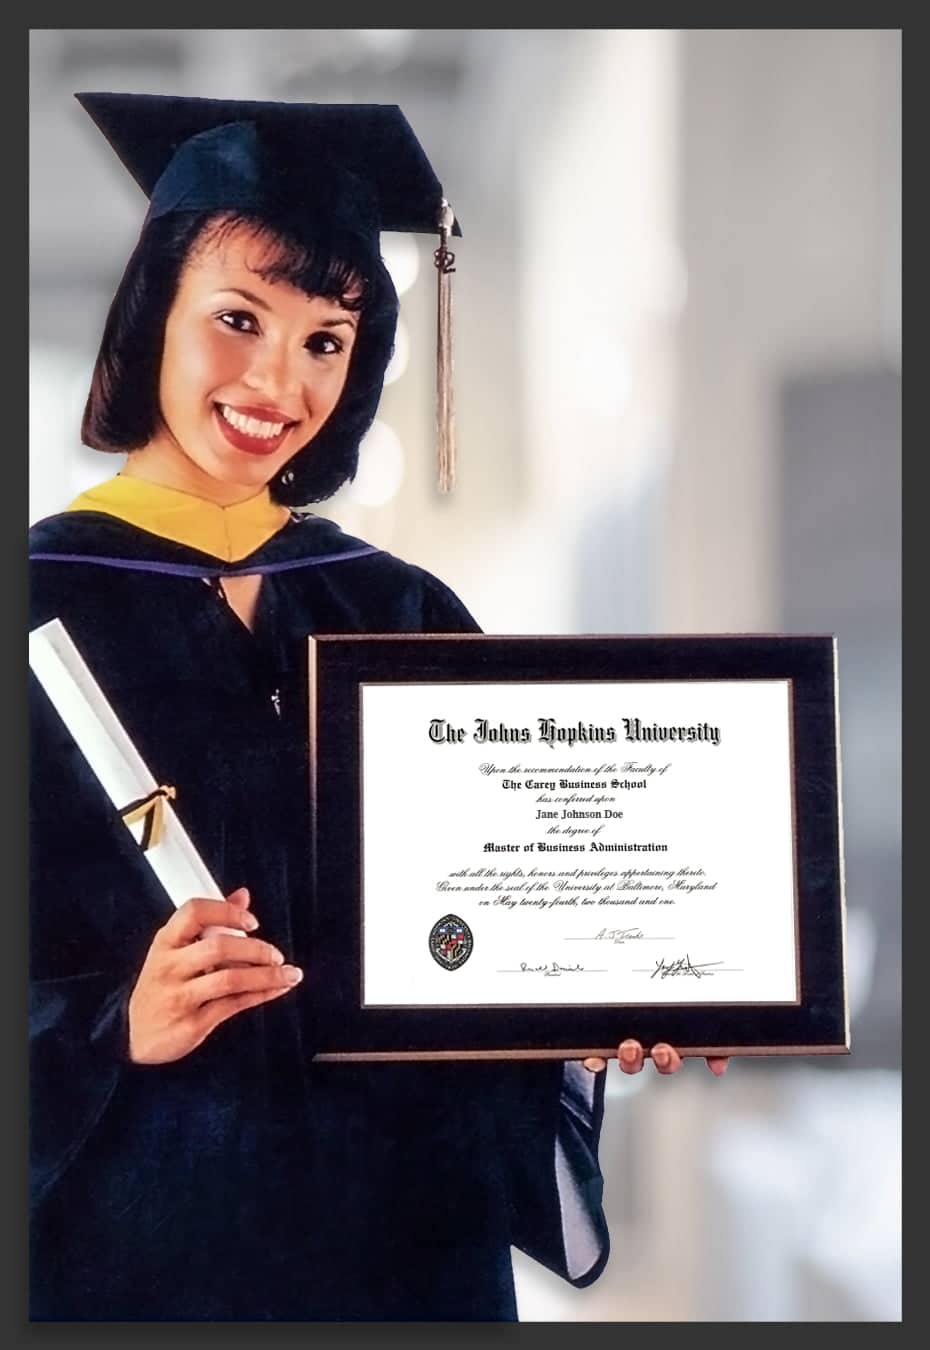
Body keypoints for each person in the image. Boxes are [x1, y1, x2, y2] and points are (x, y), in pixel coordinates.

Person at [29, 92, 726, 1322]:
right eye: (237, 320)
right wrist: (107, 1023)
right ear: (153, 318)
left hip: (403, 1246)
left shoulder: (399, 608)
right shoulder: (35, 603)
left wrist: (616, 984)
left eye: (325, 342)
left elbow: (486, 915)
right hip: (135, 1251)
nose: (275, 382)